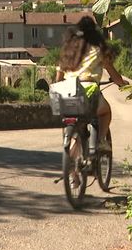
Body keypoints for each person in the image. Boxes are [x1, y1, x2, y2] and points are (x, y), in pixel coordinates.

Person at [55, 15, 128, 152]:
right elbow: (113, 74)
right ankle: (100, 141)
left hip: (68, 93)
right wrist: (121, 83)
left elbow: (58, 78)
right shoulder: (97, 50)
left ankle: (72, 171)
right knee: (106, 112)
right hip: (87, 91)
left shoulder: (68, 51)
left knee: (74, 123)